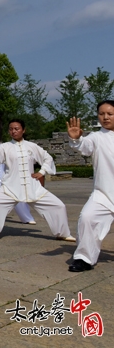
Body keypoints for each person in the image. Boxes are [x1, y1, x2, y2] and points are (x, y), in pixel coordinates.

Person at [0, 119, 75, 242]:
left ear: (23, 130)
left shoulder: (32, 146)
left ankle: (62, 233)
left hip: (32, 187)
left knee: (59, 206)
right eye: (11, 129)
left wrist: (41, 172)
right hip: (10, 187)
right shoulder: (5, 147)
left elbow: (47, 158)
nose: (13, 131)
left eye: (16, 129)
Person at [66, 101, 114, 272]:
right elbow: (84, 146)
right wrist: (76, 138)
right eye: (102, 114)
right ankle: (84, 258)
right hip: (104, 194)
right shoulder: (96, 137)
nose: (105, 117)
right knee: (86, 217)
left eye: (110, 113)